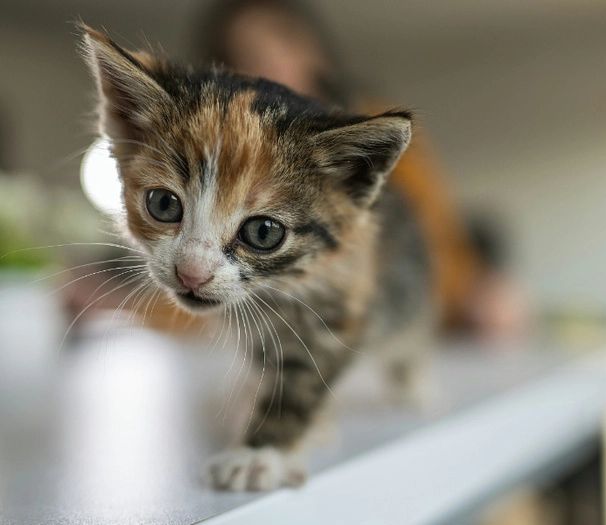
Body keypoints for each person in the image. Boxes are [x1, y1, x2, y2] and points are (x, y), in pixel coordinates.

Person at [194, 0, 530, 338]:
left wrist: (477, 292)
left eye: (282, 45)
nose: (270, 65)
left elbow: (437, 237)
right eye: (247, 56)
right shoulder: (215, 150)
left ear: (314, 50)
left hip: (396, 325)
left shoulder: (372, 127)